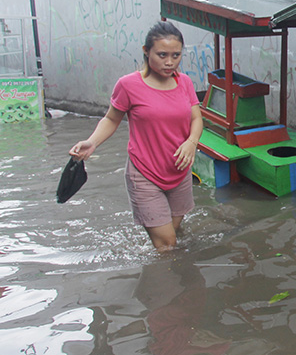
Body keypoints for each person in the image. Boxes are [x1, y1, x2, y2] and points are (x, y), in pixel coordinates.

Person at [70, 21, 204, 252]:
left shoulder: (185, 83)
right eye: (162, 55)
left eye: (176, 55)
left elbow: (197, 118)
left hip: (179, 170)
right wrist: (92, 142)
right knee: (167, 245)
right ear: (146, 51)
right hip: (144, 173)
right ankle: (168, 287)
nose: (170, 62)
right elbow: (112, 119)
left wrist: (192, 142)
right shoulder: (129, 85)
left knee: (175, 231)